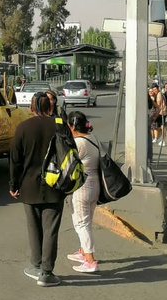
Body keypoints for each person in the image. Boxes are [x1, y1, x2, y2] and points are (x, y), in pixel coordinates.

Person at [9, 91, 69, 288]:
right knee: (50, 230)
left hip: (29, 186)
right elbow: (70, 155)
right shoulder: (59, 125)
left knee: (33, 228)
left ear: (31, 108)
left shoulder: (23, 128)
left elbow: (15, 160)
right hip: (56, 186)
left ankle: (35, 265)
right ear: (50, 107)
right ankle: (47, 272)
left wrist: (13, 185)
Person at [66, 110, 100, 274]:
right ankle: (82, 252)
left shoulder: (78, 143)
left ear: (72, 126)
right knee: (87, 221)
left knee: (81, 224)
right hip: (95, 185)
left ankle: (90, 260)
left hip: (82, 187)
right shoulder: (92, 138)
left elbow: (68, 165)